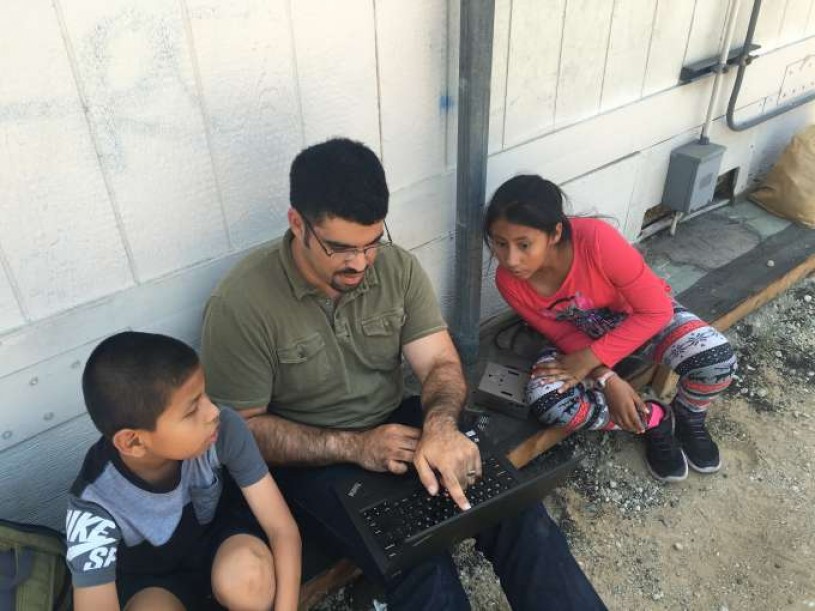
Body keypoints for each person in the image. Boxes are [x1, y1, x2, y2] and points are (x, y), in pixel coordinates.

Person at [200, 138, 606, 610]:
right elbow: (241, 432)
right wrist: (353, 446)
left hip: (399, 422)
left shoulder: (395, 268)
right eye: (341, 248)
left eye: (371, 243)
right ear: (298, 224)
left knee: (519, 515)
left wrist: (439, 427)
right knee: (419, 563)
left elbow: (439, 363)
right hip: (312, 459)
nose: (360, 262)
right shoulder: (241, 304)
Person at [483, 174, 738, 482]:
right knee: (547, 400)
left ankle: (690, 416)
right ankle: (653, 419)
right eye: (500, 244)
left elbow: (656, 310)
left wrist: (594, 357)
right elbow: (561, 333)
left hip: (636, 321)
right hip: (577, 339)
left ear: (554, 233)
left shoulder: (596, 240)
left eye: (524, 245)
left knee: (716, 360)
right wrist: (608, 379)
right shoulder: (508, 281)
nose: (511, 259)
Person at [66, 331, 301, 611]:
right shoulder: (93, 505)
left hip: (222, 545)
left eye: (204, 394)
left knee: (250, 580)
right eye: (192, 410)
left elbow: (281, 528)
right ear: (133, 441)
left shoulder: (222, 429)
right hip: (152, 582)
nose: (212, 411)